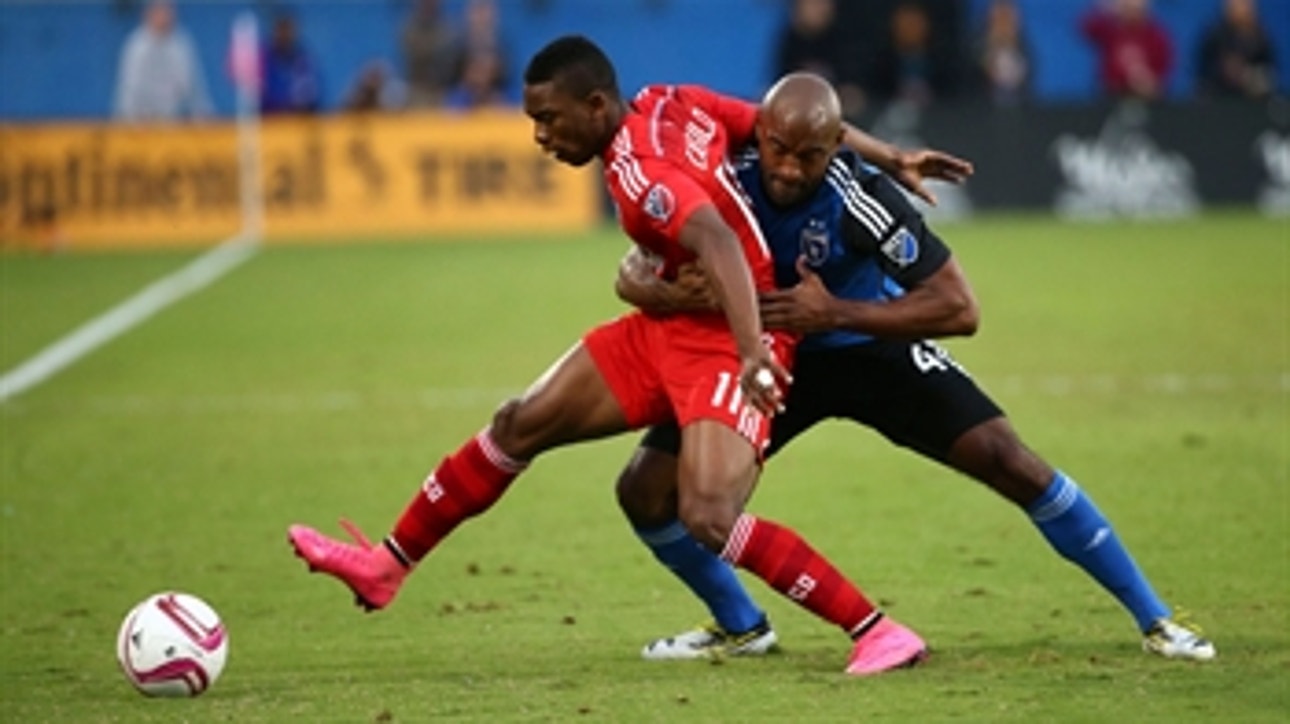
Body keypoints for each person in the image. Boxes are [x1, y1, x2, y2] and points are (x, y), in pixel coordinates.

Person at [288, 35, 964, 675]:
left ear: (595, 107)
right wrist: (889, 155)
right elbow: (780, 118)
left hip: (729, 336)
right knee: (518, 423)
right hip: (669, 325)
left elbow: (721, 244)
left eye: (549, 120)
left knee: (707, 512)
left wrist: (754, 351)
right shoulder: (670, 100)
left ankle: (878, 632)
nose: (540, 137)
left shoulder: (643, 175)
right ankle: (387, 566)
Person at [613, 72, 1216, 664]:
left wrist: (835, 311)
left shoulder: (862, 198)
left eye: (811, 156)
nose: (791, 169)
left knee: (1010, 460)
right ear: (761, 132)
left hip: (868, 351)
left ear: (836, 148)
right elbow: (644, 259)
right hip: (767, 360)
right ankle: (742, 627)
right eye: (780, 150)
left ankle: (1157, 618)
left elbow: (959, 307)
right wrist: (651, 287)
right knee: (647, 489)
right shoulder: (724, 173)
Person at [113, 0, 213, 121]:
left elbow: (194, 89)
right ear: (148, 14)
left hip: (173, 123)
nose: (165, 16)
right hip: (140, 124)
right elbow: (128, 92)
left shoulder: (181, 44)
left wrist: (204, 117)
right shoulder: (136, 46)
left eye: (168, 11)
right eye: (160, 11)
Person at [1080, 0, 1174, 101]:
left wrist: (1149, 82)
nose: (1133, 13)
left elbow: (1163, 68)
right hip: (1111, 94)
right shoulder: (1110, 31)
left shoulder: (1156, 37)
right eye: (1128, 8)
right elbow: (1086, 26)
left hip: (1146, 97)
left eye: (1137, 9)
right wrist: (1108, 9)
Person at [1195, 0, 1278, 100]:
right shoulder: (1215, 36)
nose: (1242, 9)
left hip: (1253, 101)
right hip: (1219, 99)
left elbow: (1269, 73)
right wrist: (1225, 72)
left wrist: (1247, 76)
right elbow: (1203, 73)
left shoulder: (1261, 39)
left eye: (1245, 4)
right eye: (1236, 4)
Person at [401, 0, 460, 109]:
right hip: (418, 90)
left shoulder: (448, 28)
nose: (429, 4)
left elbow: (452, 61)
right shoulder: (409, 30)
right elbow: (419, 55)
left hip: (444, 90)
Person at [259, 15, 322, 115]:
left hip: (298, 121)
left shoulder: (304, 61)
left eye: (289, 32)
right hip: (268, 122)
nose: (285, 36)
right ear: (275, 33)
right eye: (281, 31)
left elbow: (311, 97)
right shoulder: (263, 60)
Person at [973, 0, 1031, 106]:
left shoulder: (1025, 52)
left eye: (1008, 20)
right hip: (983, 112)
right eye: (999, 20)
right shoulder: (977, 52)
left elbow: (1027, 83)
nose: (1003, 25)